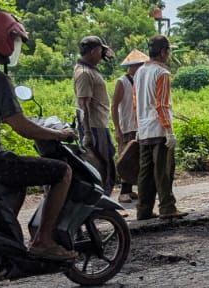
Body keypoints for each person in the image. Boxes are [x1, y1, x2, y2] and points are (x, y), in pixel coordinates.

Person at [0, 6, 78, 261]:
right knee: (62, 172)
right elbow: (21, 126)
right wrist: (59, 135)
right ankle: (43, 241)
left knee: (17, 185)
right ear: (1, 40)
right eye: (13, 40)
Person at [134, 34, 182, 220]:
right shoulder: (162, 73)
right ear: (163, 52)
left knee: (145, 173)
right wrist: (169, 130)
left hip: (144, 128)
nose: (169, 55)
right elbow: (161, 104)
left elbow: (136, 103)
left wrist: (139, 126)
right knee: (164, 170)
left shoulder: (139, 72)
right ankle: (167, 207)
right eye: (168, 51)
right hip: (159, 128)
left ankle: (143, 210)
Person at [73, 35, 116, 193]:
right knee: (100, 165)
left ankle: (103, 201)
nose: (102, 54)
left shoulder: (90, 70)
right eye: (99, 50)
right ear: (92, 51)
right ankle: (100, 203)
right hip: (93, 126)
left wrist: (105, 53)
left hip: (99, 124)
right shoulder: (84, 73)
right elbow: (84, 104)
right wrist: (88, 133)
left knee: (107, 162)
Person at [110, 50, 146, 203]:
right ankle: (123, 191)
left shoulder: (141, 80)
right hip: (127, 126)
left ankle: (131, 189)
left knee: (136, 158)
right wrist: (117, 128)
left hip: (140, 126)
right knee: (125, 157)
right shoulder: (122, 81)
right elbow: (114, 106)